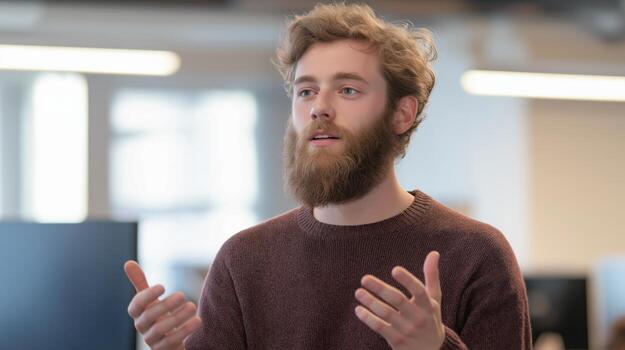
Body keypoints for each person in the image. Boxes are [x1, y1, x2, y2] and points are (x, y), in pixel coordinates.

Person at [125, 3, 531, 349]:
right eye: (306, 91)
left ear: (401, 114)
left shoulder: (477, 254)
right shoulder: (243, 260)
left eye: (348, 90)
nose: (320, 107)